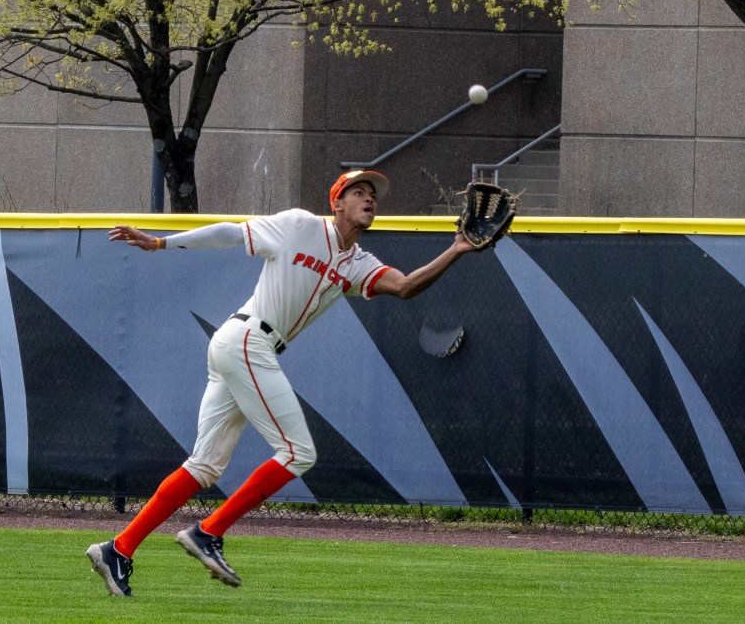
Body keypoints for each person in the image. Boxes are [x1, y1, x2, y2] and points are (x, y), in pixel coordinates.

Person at [86, 170, 475, 595]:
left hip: (245, 347)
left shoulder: (359, 262)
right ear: (336, 203)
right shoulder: (299, 225)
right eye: (358, 192)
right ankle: (207, 532)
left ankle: (118, 549)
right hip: (248, 339)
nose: (369, 200)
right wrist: (161, 242)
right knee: (298, 452)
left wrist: (457, 248)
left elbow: (404, 287)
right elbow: (231, 233)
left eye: (373, 195)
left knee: (206, 465)